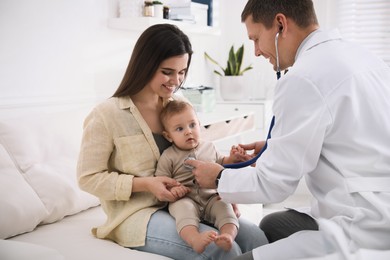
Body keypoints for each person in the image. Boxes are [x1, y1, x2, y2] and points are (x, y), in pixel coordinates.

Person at [185, 0, 390, 259]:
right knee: (273, 225)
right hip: (379, 205)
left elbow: (275, 185)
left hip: (364, 225)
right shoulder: (361, 56)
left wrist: (218, 177)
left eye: (257, 38)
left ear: (281, 24)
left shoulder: (303, 78)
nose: (257, 51)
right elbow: (349, 134)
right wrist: (275, 145)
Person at [77, 23, 268, 260]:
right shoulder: (107, 114)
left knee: (256, 239)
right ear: (145, 64)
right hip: (138, 214)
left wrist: (224, 190)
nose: (175, 81)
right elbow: (88, 178)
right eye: (167, 72)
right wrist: (146, 184)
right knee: (219, 249)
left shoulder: (177, 103)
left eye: (182, 72)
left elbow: (198, 152)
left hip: (192, 200)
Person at [156, 100, 246, 254]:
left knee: (225, 207)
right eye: (179, 129)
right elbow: (161, 181)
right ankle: (194, 239)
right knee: (183, 210)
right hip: (185, 198)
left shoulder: (209, 146)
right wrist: (175, 189)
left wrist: (233, 158)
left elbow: (221, 163)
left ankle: (227, 236)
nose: (188, 131)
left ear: (199, 124)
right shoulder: (168, 156)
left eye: (192, 125)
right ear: (168, 136)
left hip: (211, 197)